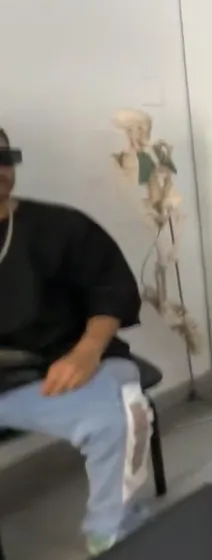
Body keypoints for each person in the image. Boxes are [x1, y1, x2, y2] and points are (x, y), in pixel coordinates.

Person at [0, 128, 153, 556]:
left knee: (123, 413)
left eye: (3, 157)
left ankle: (109, 529)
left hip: (66, 362)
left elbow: (110, 290)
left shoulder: (60, 227)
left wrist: (87, 350)